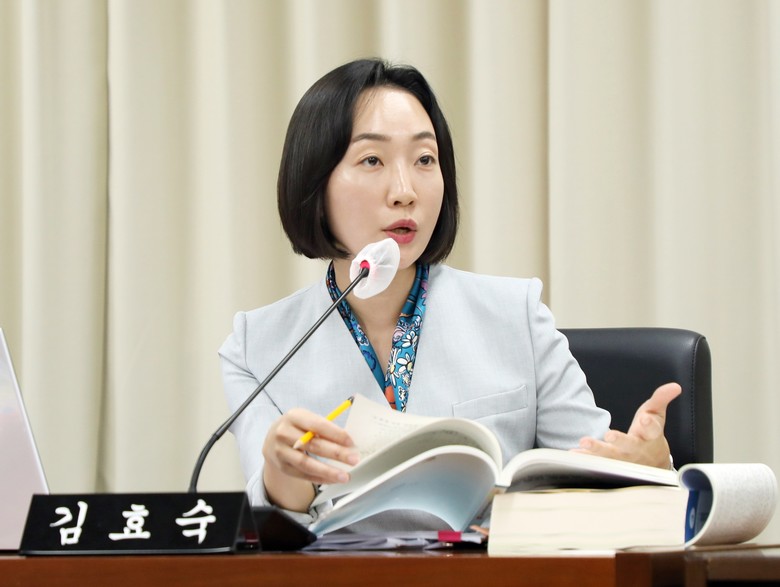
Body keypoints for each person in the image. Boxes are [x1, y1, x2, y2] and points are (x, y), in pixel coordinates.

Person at [218, 58, 680, 530]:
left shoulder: (516, 315)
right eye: (372, 160)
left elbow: (599, 472)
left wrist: (649, 465)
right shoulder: (256, 347)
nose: (405, 191)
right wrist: (282, 472)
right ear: (314, 182)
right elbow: (271, 526)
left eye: (424, 160)